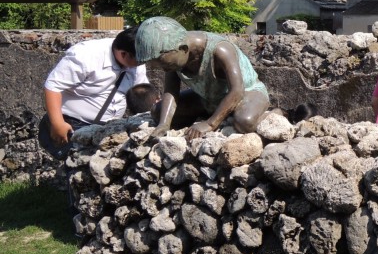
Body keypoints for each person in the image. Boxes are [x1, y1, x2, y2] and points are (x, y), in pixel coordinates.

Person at [134, 16, 270, 140]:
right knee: (157, 112)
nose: (164, 70)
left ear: (183, 49)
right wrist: (164, 124)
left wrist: (210, 124)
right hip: (207, 97)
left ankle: (272, 115)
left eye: (166, 65)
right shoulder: (174, 55)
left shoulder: (220, 50)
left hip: (246, 92)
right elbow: (170, 91)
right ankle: (217, 114)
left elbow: (237, 91)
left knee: (245, 121)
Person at [40, 25, 148, 159]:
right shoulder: (86, 55)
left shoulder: (137, 59)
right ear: (124, 54)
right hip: (73, 125)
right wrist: (57, 123)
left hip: (109, 128)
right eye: (138, 61)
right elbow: (53, 86)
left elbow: (140, 90)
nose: (140, 65)